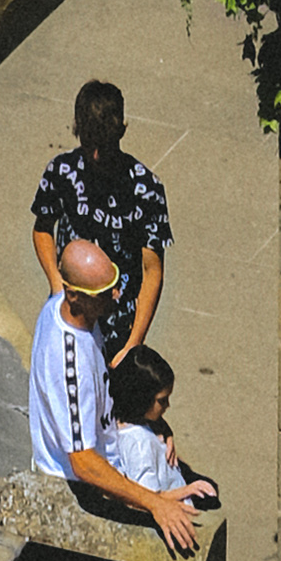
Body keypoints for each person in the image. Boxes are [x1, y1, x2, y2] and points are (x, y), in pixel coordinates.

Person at [29, 236, 204, 555]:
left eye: (114, 280)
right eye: (104, 291)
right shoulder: (71, 362)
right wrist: (154, 503)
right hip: (80, 489)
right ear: (75, 295)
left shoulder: (69, 309)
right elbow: (82, 463)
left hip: (109, 463)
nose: (117, 293)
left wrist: (157, 425)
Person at [32, 77, 172, 361]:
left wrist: (133, 343)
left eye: (104, 145)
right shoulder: (62, 172)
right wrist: (57, 285)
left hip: (118, 329)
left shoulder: (146, 190)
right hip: (68, 316)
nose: (95, 155)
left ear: (121, 131)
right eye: (88, 143)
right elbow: (42, 228)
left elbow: (152, 270)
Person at [106, 342, 220, 519]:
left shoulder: (132, 422)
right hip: (173, 513)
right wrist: (189, 489)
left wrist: (167, 432)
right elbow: (148, 498)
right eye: (162, 400)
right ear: (141, 399)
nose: (168, 405)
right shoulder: (139, 446)